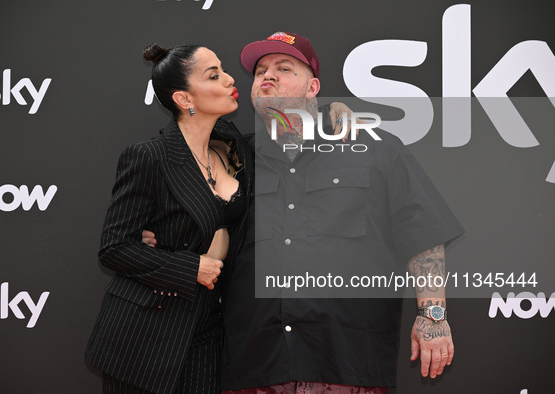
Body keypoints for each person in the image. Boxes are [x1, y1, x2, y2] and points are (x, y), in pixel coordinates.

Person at [142, 32, 464, 393]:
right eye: (260, 70)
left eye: (284, 68)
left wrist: (433, 317)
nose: (267, 75)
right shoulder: (231, 162)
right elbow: (195, 229)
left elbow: (422, 234)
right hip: (255, 366)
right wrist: (157, 238)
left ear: (313, 88)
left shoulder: (373, 148)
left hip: (347, 362)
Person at [85, 43, 253, 394]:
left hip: (208, 333)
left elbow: (288, 139)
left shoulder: (235, 147)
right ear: (183, 98)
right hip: (146, 336)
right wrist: (191, 268)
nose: (229, 80)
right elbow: (114, 248)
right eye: (214, 75)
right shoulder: (149, 157)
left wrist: (330, 116)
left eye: (223, 70)